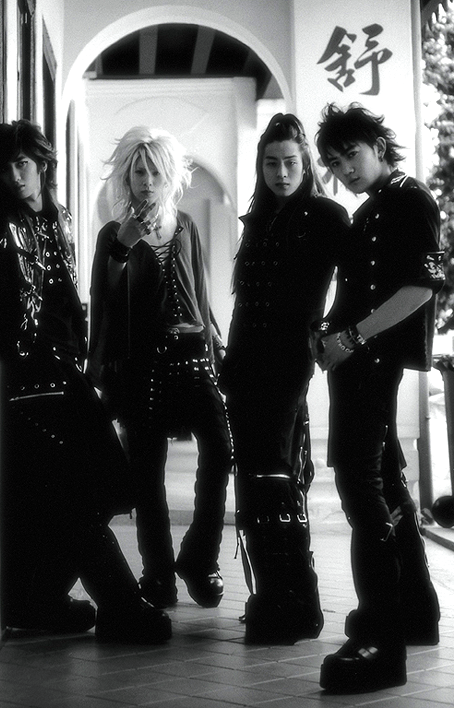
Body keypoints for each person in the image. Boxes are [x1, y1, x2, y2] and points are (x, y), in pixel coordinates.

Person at [0, 119, 171, 643]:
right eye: (6, 167)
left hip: (65, 371)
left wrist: (89, 362)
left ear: (43, 164)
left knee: (105, 486)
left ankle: (42, 597)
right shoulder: (0, 223)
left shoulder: (59, 216)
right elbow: (6, 308)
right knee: (75, 491)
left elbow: (71, 300)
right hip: (29, 376)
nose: (15, 176)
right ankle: (118, 603)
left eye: (23, 163)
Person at [314, 103, 443, 693]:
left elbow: (421, 287)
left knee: (360, 485)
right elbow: (360, 288)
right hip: (357, 360)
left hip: (372, 361)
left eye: (352, 155)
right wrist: (329, 331)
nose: (345, 169)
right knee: (385, 480)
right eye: (335, 162)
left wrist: (352, 337)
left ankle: (382, 644)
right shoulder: (372, 207)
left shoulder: (411, 199)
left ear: (379, 147)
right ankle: (415, 611)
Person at [88, 126, 233, 610]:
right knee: (147, 473)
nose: (147, 181)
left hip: (194, 358)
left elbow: (201, 294)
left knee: (222, 450)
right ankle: (158, 576)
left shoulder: (186, 225)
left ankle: (200, 557)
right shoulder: (113, 234)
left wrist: (214, 339)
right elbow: (106, 300)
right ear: (126, 178)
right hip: (142, 364)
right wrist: (123, 246)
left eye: (154, 171)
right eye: (138, 172)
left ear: (168, 175)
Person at [219, 113, 350, 644]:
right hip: (244, 362)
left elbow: (357, 281)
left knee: (276, 476)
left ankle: (294, 603)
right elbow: (245, 302)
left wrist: (333, 331)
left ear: (306, 164)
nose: (280, 172)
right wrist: (228, 362)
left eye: (290, 162)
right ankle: (274, 596)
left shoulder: (327, 215)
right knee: (255, 478)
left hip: (287, 362)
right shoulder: (258, 218)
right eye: (271, 163)